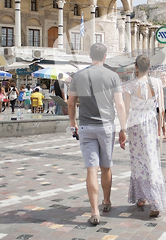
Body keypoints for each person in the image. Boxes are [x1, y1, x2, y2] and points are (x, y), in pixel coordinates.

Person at [67, 43, 127, 226]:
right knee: (106, 167)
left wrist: (72, 124)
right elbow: (120, 105)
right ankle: (106, 202)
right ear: (105, 56)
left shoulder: (79, 75)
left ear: (89, 55)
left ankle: (94, 211)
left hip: (86, 126)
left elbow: (70, 103)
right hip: (106, 126)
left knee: (91, 169)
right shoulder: (113, 76)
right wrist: (123, 128)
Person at [122, 55, 166, 218]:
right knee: (151, 160)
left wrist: (123, 129)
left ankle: (144, 198)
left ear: (136, 67)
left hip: (135, 125)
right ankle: (151, 198)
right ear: (149, 67)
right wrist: (161, 129)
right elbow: (161, 109)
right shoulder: (156, 83)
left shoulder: (129, 86)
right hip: (150, 123)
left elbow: (126, 110)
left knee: (138, 161)